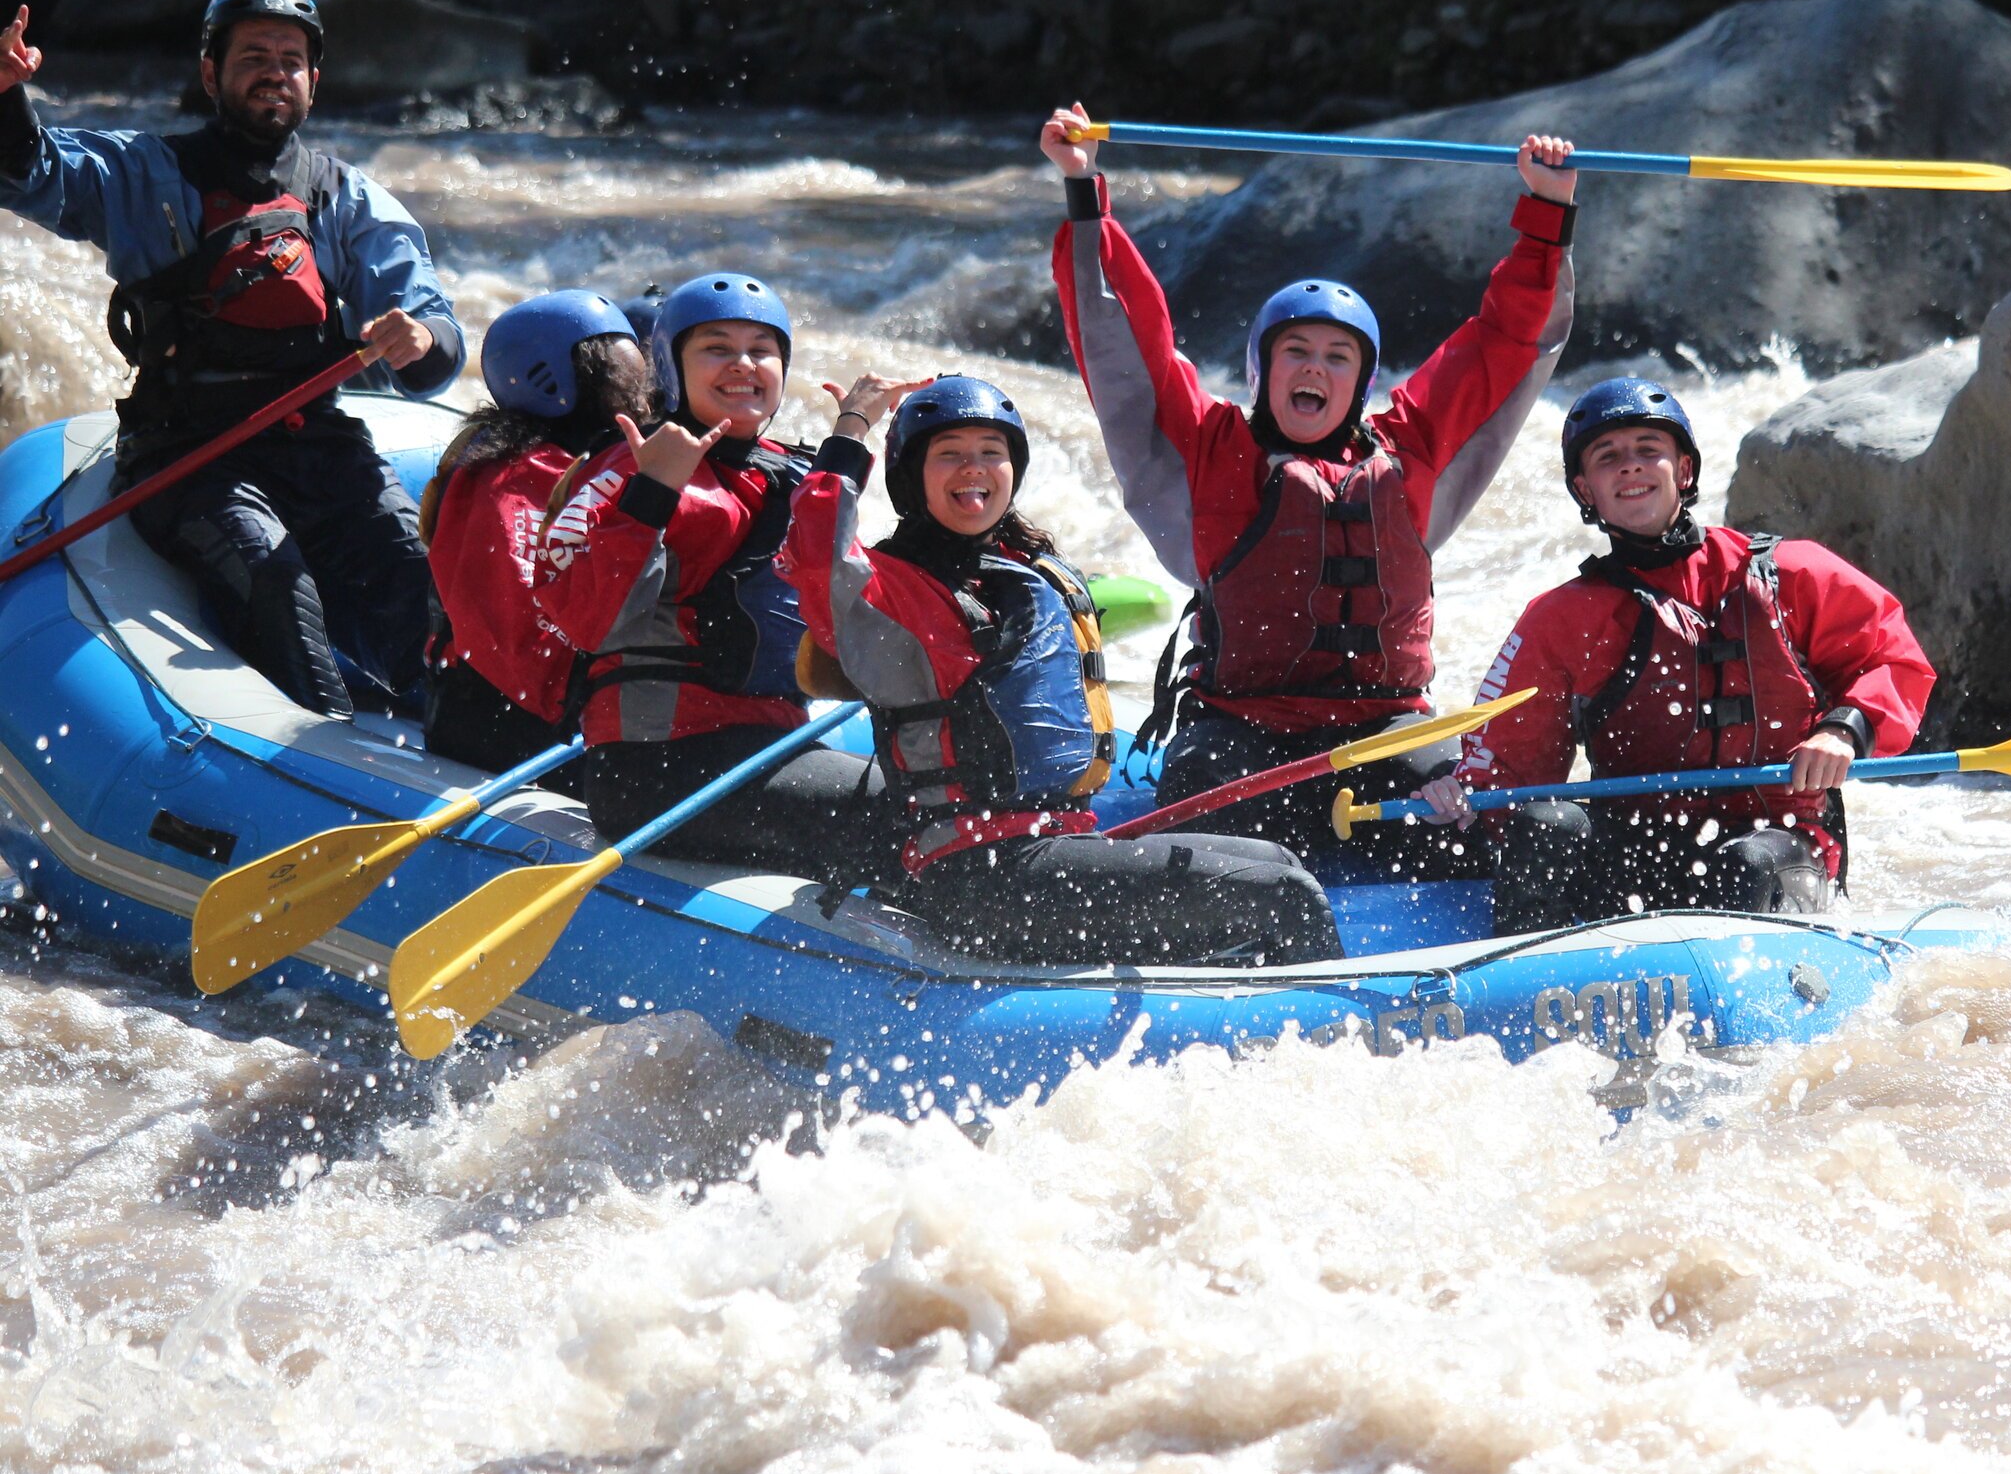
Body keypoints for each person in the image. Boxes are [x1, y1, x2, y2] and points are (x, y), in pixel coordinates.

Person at [1042, 101, 1576, 871]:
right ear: (1263, 370)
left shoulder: (1412, 449)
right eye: (1297, 350)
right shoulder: (1214, 448)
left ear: (1360, 383)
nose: (1316, 368)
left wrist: (1547, 211)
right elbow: (1128, 337)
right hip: (1241, 734)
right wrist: (1085, 191)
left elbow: (1502, 342)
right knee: (1198, 820)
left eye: (1337, 356)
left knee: (1502, 812)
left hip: (1389, 734)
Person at [0, 0, 461, 717]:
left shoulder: (347, 199)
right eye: (253, 55)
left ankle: (460, 728)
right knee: (274, 580)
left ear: (314, 81)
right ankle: (324, 752)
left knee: (419, 578)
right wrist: (6, 101)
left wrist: (419, 338)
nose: (275, 70)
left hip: (317, 443)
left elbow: (433, 332)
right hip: (190, 452)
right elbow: (40, 176)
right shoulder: (143, 171)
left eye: (291, 57)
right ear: (211, 73)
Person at [779, 375, 1345, 966]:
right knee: (1287, 897)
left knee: (1278, 861)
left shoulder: (1020, 568)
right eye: (949, 454)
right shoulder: (892, 591)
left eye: (990, 453)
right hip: (982, 878)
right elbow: (816, 551)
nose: (973, 468)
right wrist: (852, 429)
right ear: (910, 476)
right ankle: (1345, 1037)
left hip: (1055, 848)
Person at [1416, 378, 1935, 935]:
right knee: (1546, 824)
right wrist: (1462, 793)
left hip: (1780, 841)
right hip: (1640, 847)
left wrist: (1844, 730)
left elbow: (1893, 660)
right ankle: (1529, 990)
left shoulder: (1793, 573)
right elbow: (1508, 765)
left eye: (1648, 450)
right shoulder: (1563, 618)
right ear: (1585, 490)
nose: (1630, 467)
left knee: (1744, 865)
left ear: (1683, 471)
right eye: (1608, 457)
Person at [532, 272, 890, 885]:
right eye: (716, 348)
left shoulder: (782, 470)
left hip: (764, 748)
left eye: (761, 349)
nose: (742, 364)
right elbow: (587, 622)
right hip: (658, 766)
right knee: (903, 812)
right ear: (673, 366)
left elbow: (838, 598)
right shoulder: (637, 462)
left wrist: (850, 437)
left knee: (941, 797)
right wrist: (651, 494)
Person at [419, 290, 646, 783]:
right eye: (626, 373)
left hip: (545, 719)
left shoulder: (587, 462)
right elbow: (531, 634)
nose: (642, 389)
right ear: (561, 381)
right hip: (498, 727)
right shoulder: (512, 478)